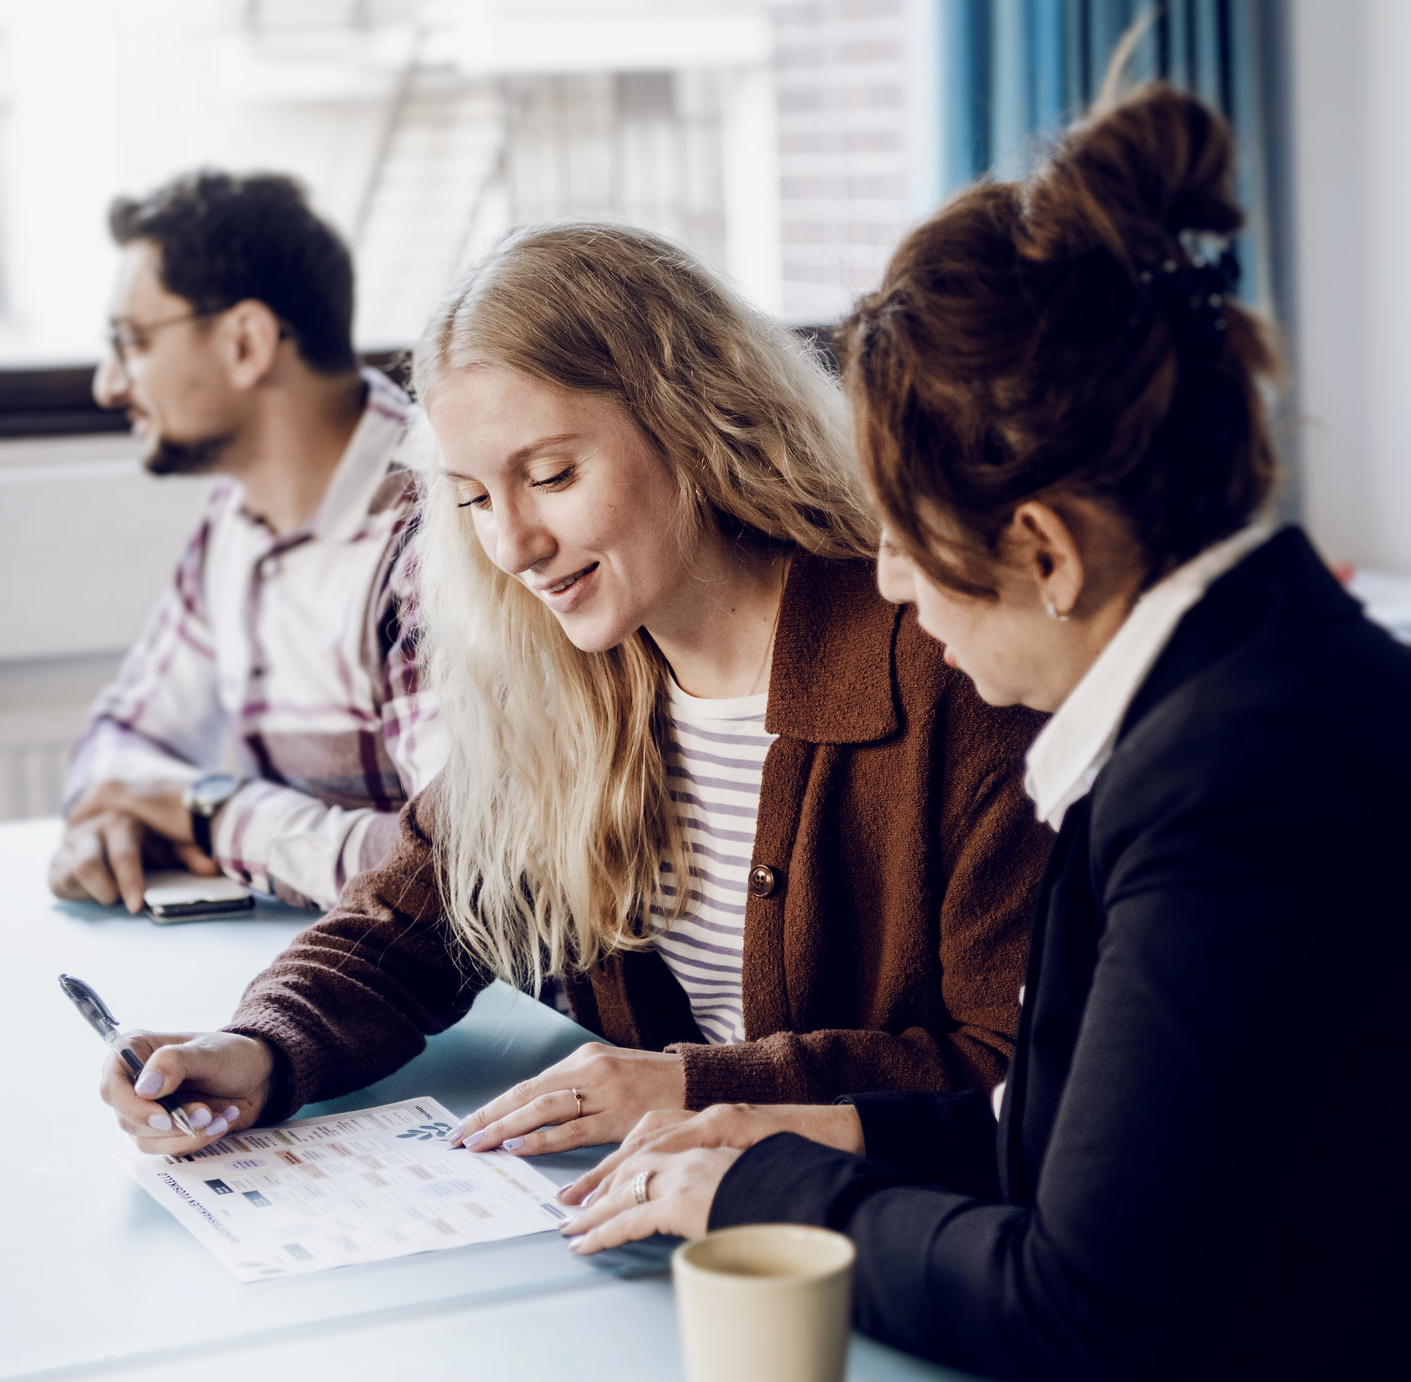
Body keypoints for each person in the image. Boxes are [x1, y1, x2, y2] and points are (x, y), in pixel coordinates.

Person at [558, 86, 1411, 1382]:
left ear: (1041, 550)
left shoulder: (1230, 786)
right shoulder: (1230, 690)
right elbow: (1101, 1142)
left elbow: (1085, 1305)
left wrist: (754, 1201)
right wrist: (829, 1133)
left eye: (901, 546)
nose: (885, 585)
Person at [99, 220, 1047, 1153]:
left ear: (696, 419)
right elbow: (414, 918)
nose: (511, 545)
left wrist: (688, 1087)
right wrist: (261, 1045)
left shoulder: (951, 670)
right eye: (472, 496)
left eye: (550, 474)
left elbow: (1013, 1074)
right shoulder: (572, 674)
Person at [51, 170, 442, 914]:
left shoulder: (434, 532)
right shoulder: (232, 519)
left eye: (132, 343)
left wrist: (210, 810)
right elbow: (117, 747)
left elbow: (454, 872)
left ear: (246, 343)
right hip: (319, 962)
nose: (108, 385)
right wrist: (114, 822)